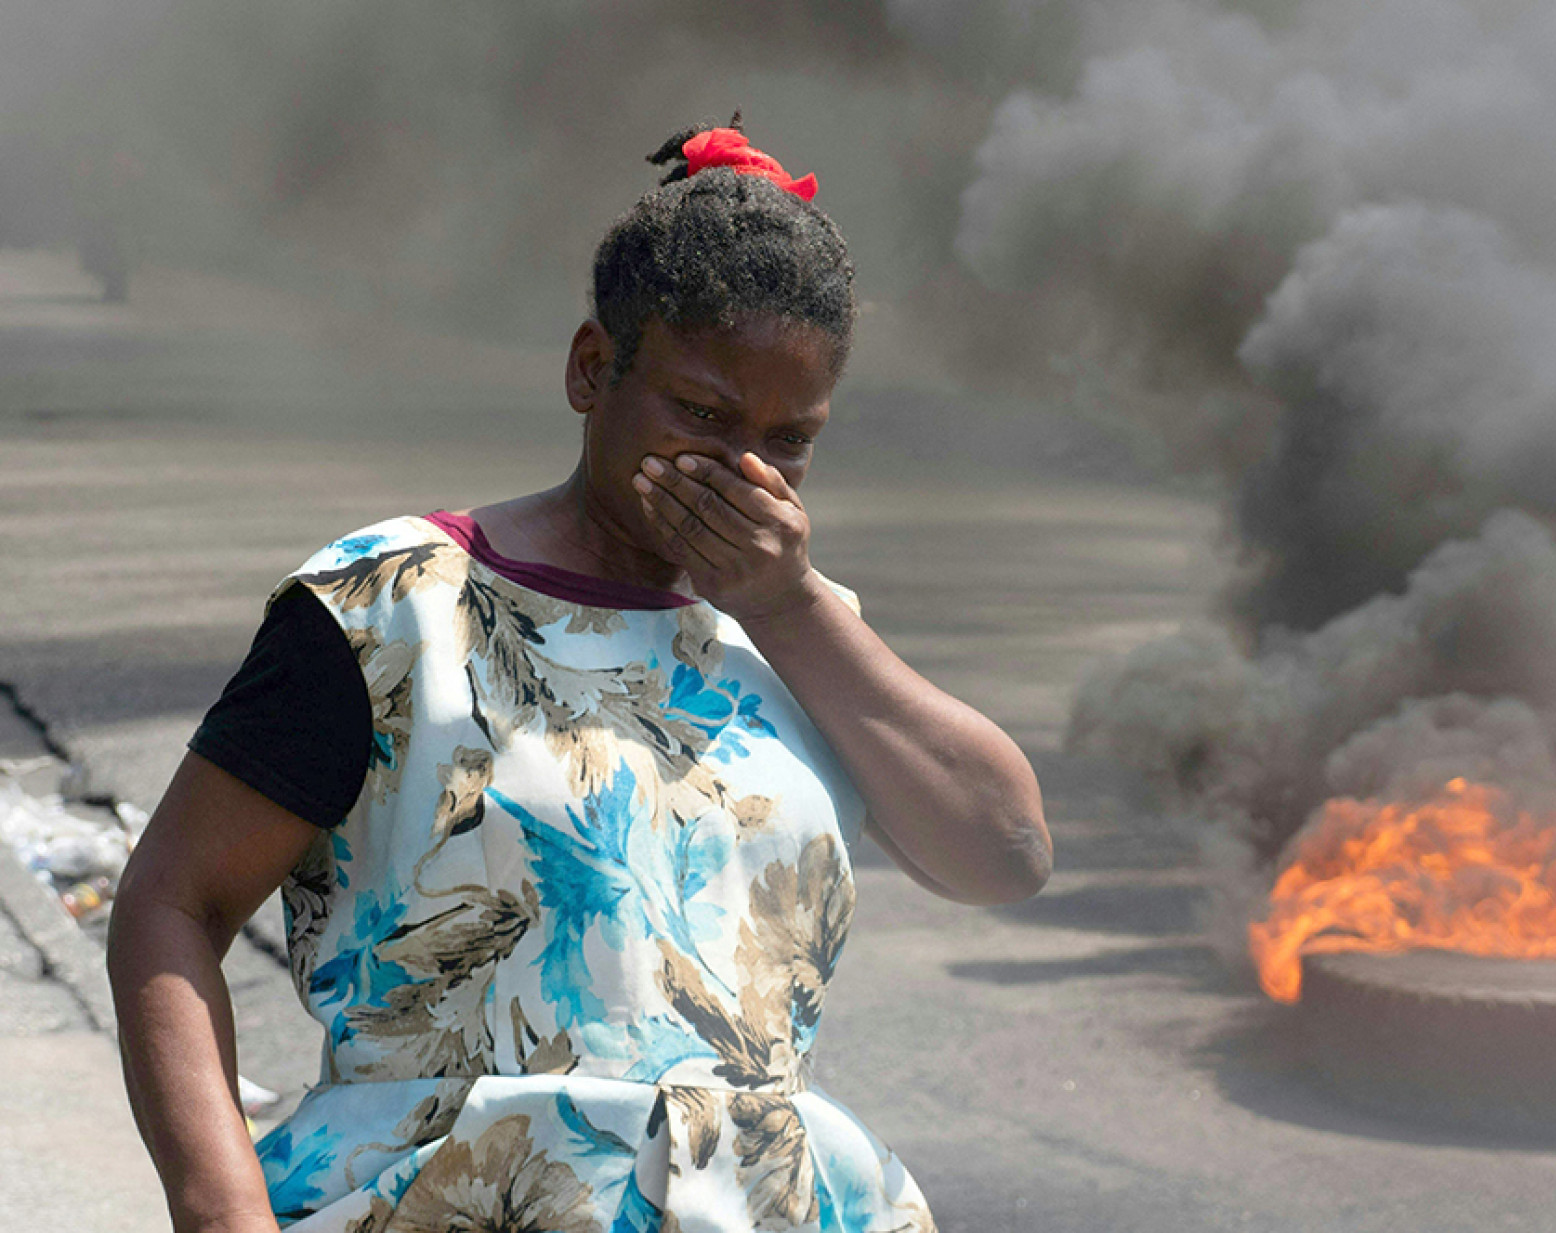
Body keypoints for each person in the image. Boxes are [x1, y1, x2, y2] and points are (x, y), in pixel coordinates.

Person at [107, 120, 1052, 1233]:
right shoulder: (393, 606)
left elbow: (1006, 855)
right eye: (701, 413)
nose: (743, 467)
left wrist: (788, 608)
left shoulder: (802, 636)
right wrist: (221, 1212)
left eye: (788, 439)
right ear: (592, 370)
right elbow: (171, 902)